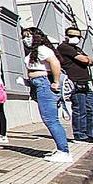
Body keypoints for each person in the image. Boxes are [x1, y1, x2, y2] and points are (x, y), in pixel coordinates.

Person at [23, 27, 72, 163]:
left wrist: (56, 82)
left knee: (50, 119)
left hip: (45, 84)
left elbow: (54, 63)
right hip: (39, 84)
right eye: (24, 36)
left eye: (28, 36)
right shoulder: (35, 51)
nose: (25, 39)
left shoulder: (42, 49)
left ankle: (64, 151)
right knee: (50, 118)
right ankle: (61, 149)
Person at [58, 28, 93, 144]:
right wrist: (86, 59)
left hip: (85, 82)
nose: (76, 38)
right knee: (80, 109)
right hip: (75, 82)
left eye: (78, 36)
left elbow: (91, 61)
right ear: (66, 36)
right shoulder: (64, 47)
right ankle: (80, 135)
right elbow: (85, 60)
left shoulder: (77, 49)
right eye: (72, 35)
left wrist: (87, 59)